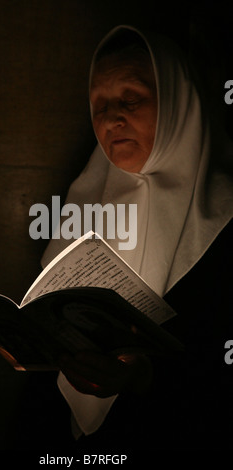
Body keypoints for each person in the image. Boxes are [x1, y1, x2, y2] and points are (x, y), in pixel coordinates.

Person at [38, 25, 233, 450]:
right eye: (99, 105)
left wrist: (145, 376)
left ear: (178, 104)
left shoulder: (226, 213)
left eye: (130, 99)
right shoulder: (84, 200)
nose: (110, 119)